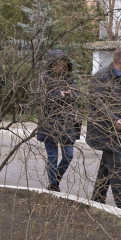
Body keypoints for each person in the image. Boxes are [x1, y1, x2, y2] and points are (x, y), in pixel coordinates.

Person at [87, 47, 121, 213]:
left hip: (119, 130)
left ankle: (97, 198)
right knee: (116, 164)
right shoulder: (102, 76)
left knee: (106, 165)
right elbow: (97, 102)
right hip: (104, 129)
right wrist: (113, 119)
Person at [36, 50, 80, 192]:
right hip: (49, 122)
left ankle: (55, 180)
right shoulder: (44, 77)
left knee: (69, 155)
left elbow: (77, 95)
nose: (60, 67)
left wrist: (71, 94)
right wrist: (57, 95)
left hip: (66, 122)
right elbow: (40, 98)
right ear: (51, 64)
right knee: (52, 156)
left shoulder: (68, 78)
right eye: (57, 64)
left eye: (62, 64)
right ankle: (53, 185)